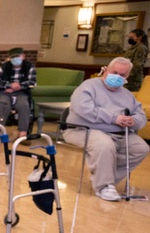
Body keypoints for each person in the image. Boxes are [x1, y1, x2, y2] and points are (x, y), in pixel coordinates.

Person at [63, 57, 148, 202]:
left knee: (142, 148)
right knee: (104, 145)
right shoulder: (88, 86)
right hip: (83, 130)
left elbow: (140, 114)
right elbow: (83, 108)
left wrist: (133, 121)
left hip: (119, 133)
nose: (117, 77)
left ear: (127, 77)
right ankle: (104, 186)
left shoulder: (127, 95)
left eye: (122, 75)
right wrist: (114, 118)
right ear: (106, 70)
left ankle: (105, 179)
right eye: (115, 72)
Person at [0, 47, 35, 140]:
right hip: (5, 92)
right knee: (3, 105)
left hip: (21, 92)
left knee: (24, 106)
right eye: (13, 57)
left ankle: (23, 134)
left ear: (23, 56)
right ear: (9, 58)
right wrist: (9, 85)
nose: (15, 59)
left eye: (18, 56)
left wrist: (19, 86)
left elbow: (32, 82)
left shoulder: (29, 67)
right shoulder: (4, 67)